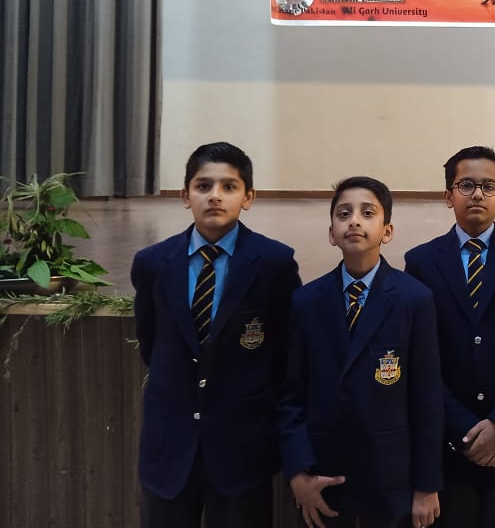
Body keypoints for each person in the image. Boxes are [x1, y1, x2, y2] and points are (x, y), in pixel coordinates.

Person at [131, 141, 302, 528]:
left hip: (241, 446)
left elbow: (284, 350)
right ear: (185, 195)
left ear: (248, 197)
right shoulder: (153, 263)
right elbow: (151, 341)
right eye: (203, 186)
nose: (215, 196)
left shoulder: (273, 263)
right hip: (169, 445)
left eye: (229, 186)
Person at [278, 176, 443, 528]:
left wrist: (426, 485)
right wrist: (297, 472)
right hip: (323, 475)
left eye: (368, 213)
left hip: (390, 477)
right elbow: (291, 397)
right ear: (331, 233)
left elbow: (427, 400)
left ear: (387, 231)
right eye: (344, 214)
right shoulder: (306, 301)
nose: (354, 221)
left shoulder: (415, 299)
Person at [404, 146, 495, 528]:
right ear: (448, 195)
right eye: (466, 185)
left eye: (489, 186)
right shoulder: (421, 262)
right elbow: (421, 357)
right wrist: (463, 429)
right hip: (447, 444)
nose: (477, 194)